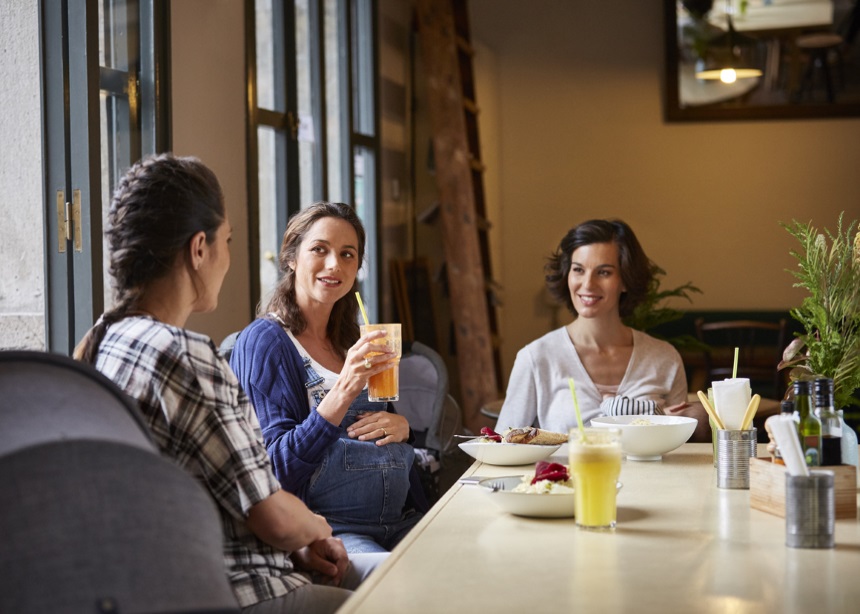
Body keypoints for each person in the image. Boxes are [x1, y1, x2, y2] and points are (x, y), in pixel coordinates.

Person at [74, 153, 383, 614]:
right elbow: (273, 513)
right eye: (228, 241)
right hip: (237, 588)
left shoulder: (99, 340)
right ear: (200, 248)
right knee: (418, 589)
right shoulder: (189, 355)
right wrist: (314, 529)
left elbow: (215, 494)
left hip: (157, 581)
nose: (227, 258)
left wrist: (299, 543)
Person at [229, 202, 425, 555]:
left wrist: (402, 427)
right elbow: (273, 469)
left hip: (402, 520)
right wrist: (343, 391)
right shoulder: (265, 342)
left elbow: (389, 436)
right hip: (328, 532)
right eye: (320, 249)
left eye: (347, 254)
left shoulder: (355, 338)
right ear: (291, 257)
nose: (335, 264)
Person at [496, 219, 709, 441]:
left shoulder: (664, 358)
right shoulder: (536, 358)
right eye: (578, 270)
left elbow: (679, 449)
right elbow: (501, 446)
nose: (588, 284)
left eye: (604, 272)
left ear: (625, 280)